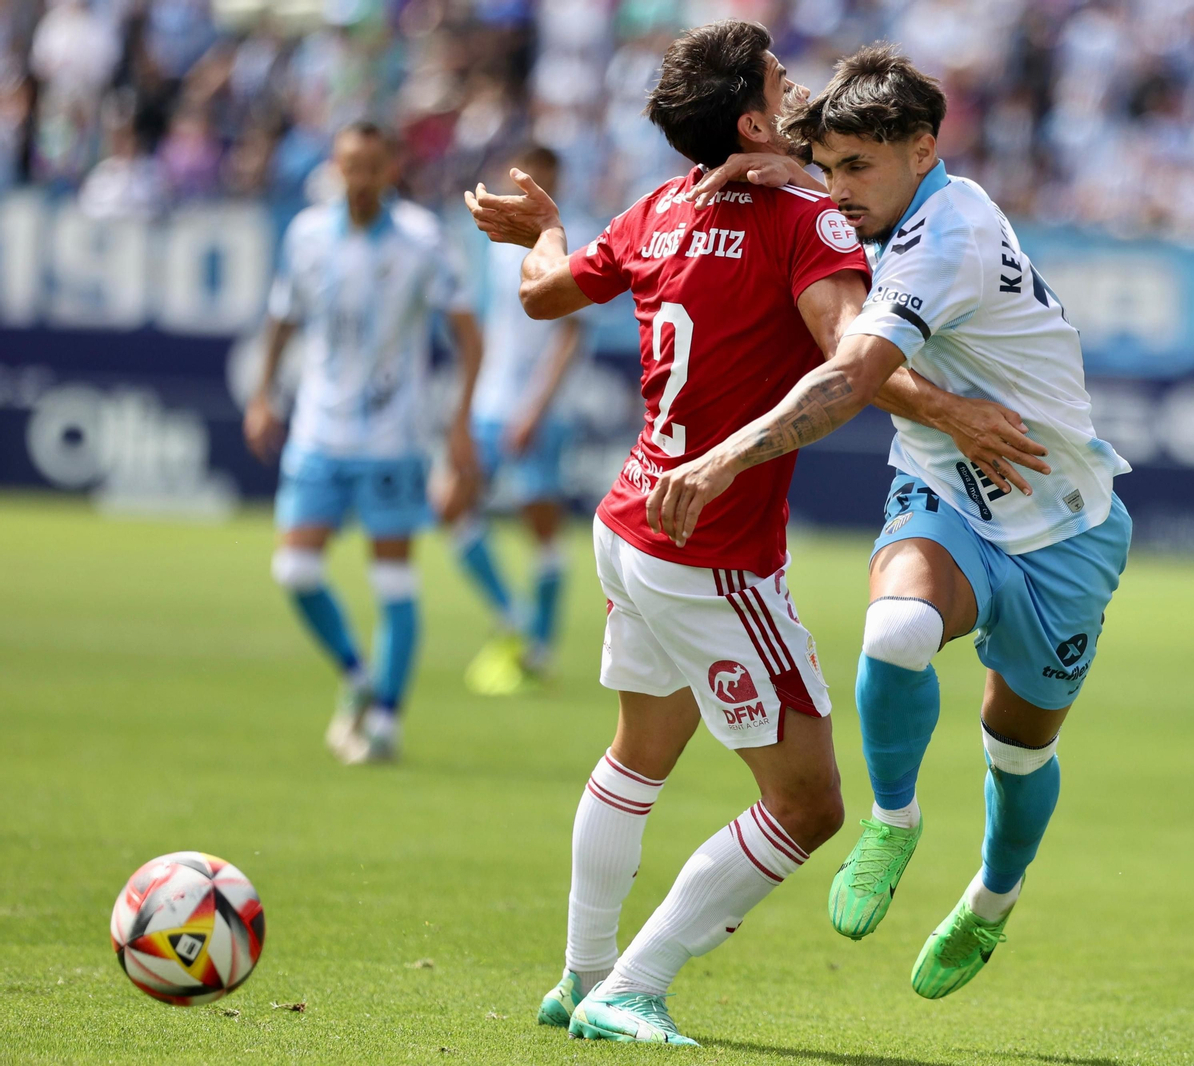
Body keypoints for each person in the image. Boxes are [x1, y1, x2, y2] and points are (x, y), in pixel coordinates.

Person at [465, 20, 1038, 1044]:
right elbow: (852, 364)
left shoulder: (657, 208)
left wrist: (543, 230)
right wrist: (955, 412)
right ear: (751, 117)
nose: (798, 85)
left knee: (637, 756)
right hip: (710, 549)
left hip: (631, 520)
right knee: (811, 805)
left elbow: (542, 292)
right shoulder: (802, 220)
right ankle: (631, 986)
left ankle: (580, 975)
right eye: (782, 79)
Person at [651, 45, 1133, 1000]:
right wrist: (767, 166)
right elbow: (857, 330)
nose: (837, 192)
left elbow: (851, 376)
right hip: (948, 496)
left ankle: (991, 902)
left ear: (922, 149)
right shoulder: (884, 202)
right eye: (828, 168)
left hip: (1063, 525)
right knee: (898, 627)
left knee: (1018, 746)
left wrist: (718, 460)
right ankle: (894, 818)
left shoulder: (946, 235)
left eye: (855, 168)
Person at [245, 121, 483, 766]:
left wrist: (459, 421)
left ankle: (384, 721)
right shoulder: (306, 234)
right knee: (294, 569)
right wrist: (264, 394)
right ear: (336, 165)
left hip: (390, 438)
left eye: (370, 167)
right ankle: (356, 676)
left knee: (394, 581)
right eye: (349, 165)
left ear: (389, 170)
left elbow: (467, 330)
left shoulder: (421, 240)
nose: (358, 178)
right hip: (319, 430)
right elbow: (282, 318)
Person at [439, 143, 587, 695]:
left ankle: (540, 648)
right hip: (488, 404)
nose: (530, 191)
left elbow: (571, 335)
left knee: (540, 525)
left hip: (534, 412)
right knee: (448, 503)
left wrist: (535, 408)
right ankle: (514, 618)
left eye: (541, 181)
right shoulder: (498, 244)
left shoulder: (572, 239)